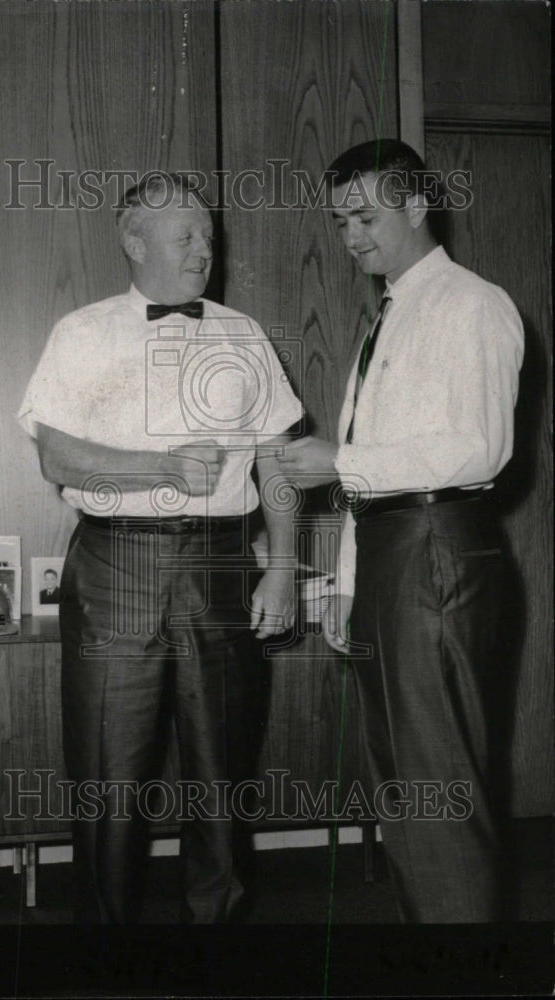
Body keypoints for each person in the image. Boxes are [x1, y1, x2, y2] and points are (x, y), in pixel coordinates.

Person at [19, 173, 303, 922]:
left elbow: (275, 460)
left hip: (220, 562)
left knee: (222, 766)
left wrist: (280, 571)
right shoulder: (80, 333)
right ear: (133, 241)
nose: (204, 250)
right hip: (116, 561)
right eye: (185, 237)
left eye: (209, 236)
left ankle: (217, 936)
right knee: (108, 772)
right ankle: (107, 946)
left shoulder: (242, 334)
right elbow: (56, 458)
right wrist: (160, 466)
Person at [274, 139, 523, 922]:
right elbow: (372, 492)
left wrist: (339, 460)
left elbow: (475, 448)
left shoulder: (469, 305)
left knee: (434, 783)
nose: (350, 236)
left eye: (365, 216)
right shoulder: (390, 314)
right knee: (404, 790)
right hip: (393, 555)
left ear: (417, 207)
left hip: (436, 551)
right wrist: (349, 589)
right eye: (340, 219)